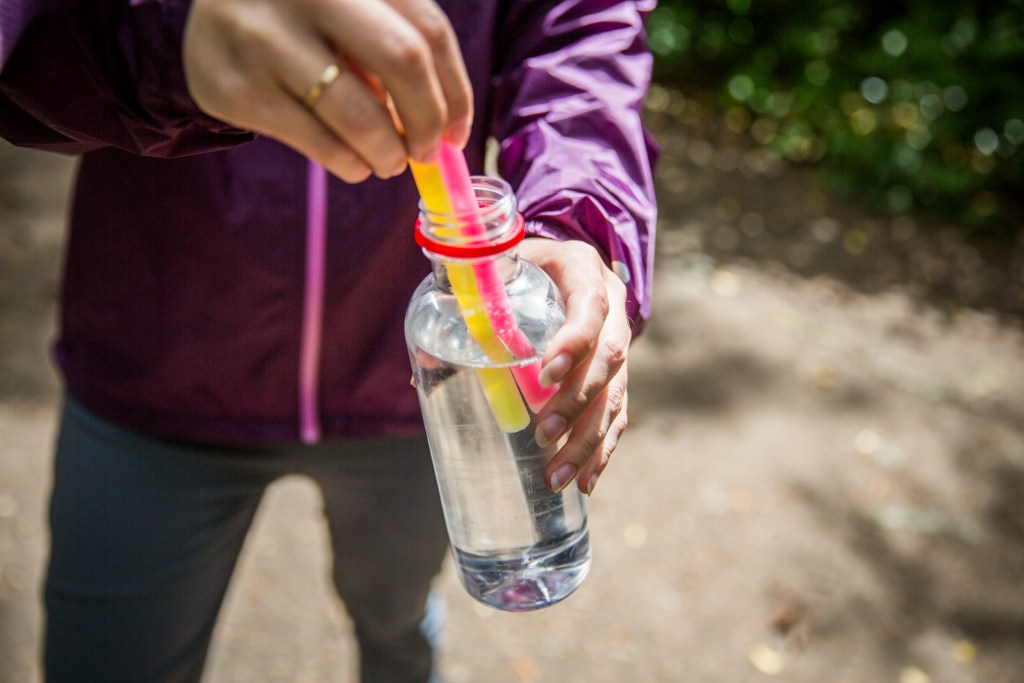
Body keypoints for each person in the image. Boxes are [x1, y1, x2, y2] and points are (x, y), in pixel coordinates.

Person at [0, 0, 658, 680]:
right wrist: (165, 31)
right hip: (156, 363)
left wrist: (580, 215)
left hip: (415, 400)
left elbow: (578, 31)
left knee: (397, 621)